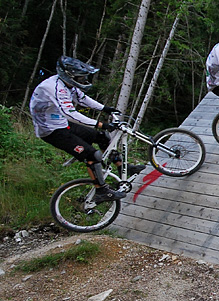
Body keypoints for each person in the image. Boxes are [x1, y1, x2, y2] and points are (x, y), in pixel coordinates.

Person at [29, 56, 145, 203]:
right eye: (80, 77)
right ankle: (101, 191)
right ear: (69, 75)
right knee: (92, 155)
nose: (83, 80)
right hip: (51, 131)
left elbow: (82, 98)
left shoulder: (67, 84)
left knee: (102, 137)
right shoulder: (55, 88)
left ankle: (123, 167)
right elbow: (71, 114)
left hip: (62, 123)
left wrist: (105, 108)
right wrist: (100, 124)